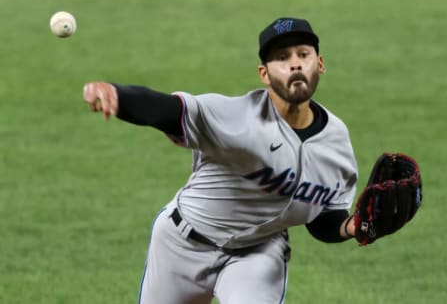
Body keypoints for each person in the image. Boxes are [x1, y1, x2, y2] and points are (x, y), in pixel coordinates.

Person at [83, 17, 358, 304]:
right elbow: (168, 109)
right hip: (181, 246)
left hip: (258, 255)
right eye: (282, 58)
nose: (295, 64)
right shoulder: (236, 116)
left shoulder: (336, 141)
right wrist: (118, 94)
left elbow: (323, 216)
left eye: (303, 54)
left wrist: (351, 227)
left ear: (320, 63)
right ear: (264, 74)